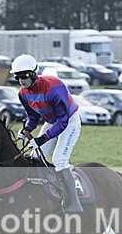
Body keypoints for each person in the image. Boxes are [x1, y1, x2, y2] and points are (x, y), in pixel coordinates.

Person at [11, 54, 83, 214]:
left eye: (24, 76)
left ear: (33, 74)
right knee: (36, 156)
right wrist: (27, 129)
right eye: (17, 77)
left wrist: (41, 139)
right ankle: (45, 195)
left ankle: (74, 203)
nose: (21, 81)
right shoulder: (22, 93)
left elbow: (63, 122)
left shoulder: (54, 88)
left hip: (69, 121)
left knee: (59, 160)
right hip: (51, 122)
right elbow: (33, 116)